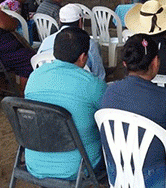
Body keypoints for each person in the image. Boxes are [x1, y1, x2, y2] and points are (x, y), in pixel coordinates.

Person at [100, 34, 166, 188]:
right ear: (155, 62)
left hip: (117, 174)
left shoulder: (109, 92)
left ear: (125, 64)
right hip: (156, 180)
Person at [25, 27, 106, 180]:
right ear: (83, 57)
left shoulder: (34, 76)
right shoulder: (92, 84)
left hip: (35, 163)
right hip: (79, 167)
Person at [37, 4, 106, 80]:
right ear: (80, 22)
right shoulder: (90, 43)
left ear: (60, 21)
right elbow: (99, 74)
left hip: (48, 83)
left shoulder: (46, 41)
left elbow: (37, 65)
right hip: (81, 87)